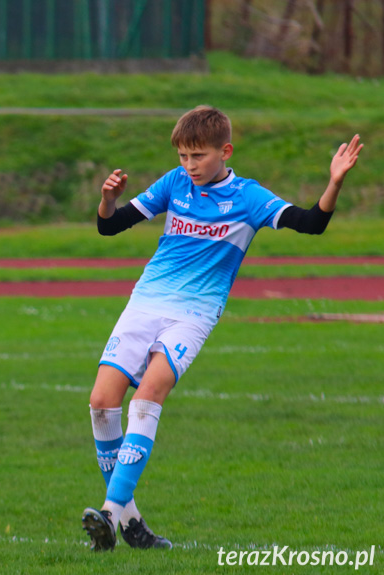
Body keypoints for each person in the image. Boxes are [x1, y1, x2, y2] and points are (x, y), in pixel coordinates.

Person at [81, 105, 362, 552]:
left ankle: (111, 514)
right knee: (100, 403)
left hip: (193, 313)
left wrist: (334, 183)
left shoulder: (249, 197)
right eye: (182, 156)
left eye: (198, 156)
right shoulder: (175, 184)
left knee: (147, 395)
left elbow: (312, 223)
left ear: (224, 151)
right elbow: (110, 226)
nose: (188, 165)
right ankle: (131, 523)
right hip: (146, 301)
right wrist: (108, 200)